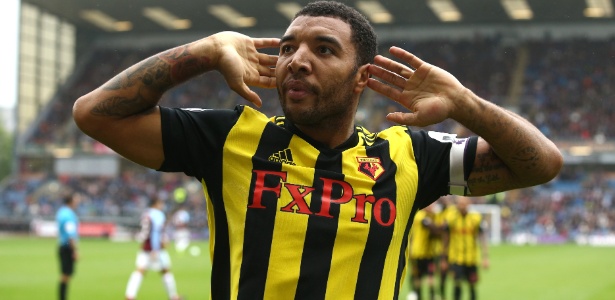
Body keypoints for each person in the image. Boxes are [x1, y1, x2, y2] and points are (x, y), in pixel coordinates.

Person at [73, 1, 562, 298]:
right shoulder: (231, 139)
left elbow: (542, 163)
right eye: (287, 48)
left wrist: (467, 105)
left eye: (324, 50)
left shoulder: (408, 157)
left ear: (362, 79)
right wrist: (204, 51)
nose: (297, 61)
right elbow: (95, 113)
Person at [125, 197, 180, 300]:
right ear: (156, 203)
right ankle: (173, 296)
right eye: (161, 203)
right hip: (155, 248)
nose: (162, 206)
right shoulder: (158, 214)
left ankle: (129, 296)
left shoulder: (146, 213)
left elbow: (145, 232)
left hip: (145, 246)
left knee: (139, 271)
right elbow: (155, 232)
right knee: (165, 271)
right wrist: (156, 248)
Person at [442, 196, 489, 300]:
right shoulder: (451, 218)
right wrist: (444, 258)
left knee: (472, 285)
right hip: (456, 258)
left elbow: (482, 238)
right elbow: (446, 238)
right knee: (457, 284)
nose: (462, 206)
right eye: (460, 203)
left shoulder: (475, 218)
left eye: (464, 203)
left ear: (469, 204)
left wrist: (485, 257)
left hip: (471, 259)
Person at [407, 202, 441, 300]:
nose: (432, 206)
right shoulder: (420, 215)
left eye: (433, 205)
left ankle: (432, 295)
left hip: (430, 252)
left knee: (431, 276)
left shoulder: (432, 216)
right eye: (430, 205)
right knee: (418, 276)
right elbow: (433, 228)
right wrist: (440, 229)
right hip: (418, 252)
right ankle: (418, 295)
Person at [56, 193, 80, 300]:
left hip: (63, 244)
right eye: (75, 200)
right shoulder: (68, 214)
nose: (77, 202)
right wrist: (74, 250)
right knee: (66, 274)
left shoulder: (61, 212)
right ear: (71, 201)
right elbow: (70, 234)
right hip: (66, 245)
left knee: (65, 274)